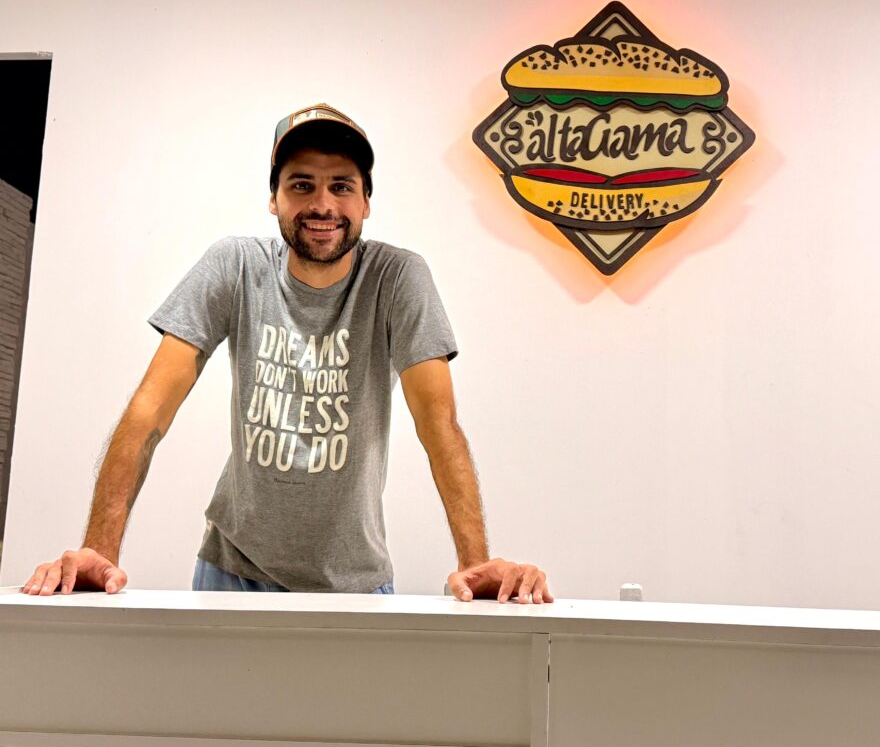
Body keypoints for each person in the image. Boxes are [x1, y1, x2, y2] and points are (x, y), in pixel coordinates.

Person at [22, 103, 552, 604]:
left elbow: (439, 425)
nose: (322, 204)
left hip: (354, 585)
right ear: (274, 198)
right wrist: (99, 549)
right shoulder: (235, 265)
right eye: (302, 185)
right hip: (230, 575)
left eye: (341, 186)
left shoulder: (398, 279)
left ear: (366, 202)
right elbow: (149, 411)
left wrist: (475, 563)